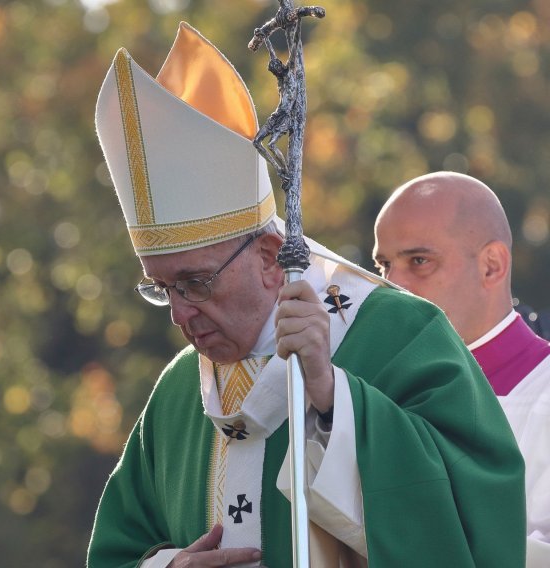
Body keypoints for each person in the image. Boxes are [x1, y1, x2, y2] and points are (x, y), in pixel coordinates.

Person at [87, 23, 525, 567]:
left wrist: (334, 399)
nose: (179, 312)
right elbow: (116, 552)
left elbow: (479, 515)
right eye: (162, 287)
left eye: (196, 282)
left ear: (271, 256)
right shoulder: (179, 391)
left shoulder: (402, 335)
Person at [373, 171, 550, 567]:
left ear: (491, 265)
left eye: (419, 261)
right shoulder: (369, 398)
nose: (392, 286)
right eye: (384, 265)